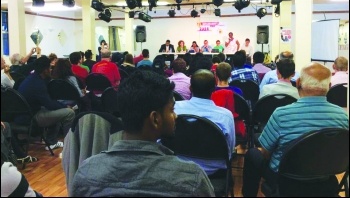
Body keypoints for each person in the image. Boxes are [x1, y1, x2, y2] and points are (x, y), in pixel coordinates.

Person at [71, 71, 215, 197]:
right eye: (171, 110)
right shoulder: (191, 180)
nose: (175, 116)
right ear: (155, 119)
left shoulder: (86, 173)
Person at [242, 62, 349, 197]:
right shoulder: (343, 116)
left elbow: (265, 152)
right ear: (328, 86)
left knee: (253, 154)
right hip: (325, 177)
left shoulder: (281, 114)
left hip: (285, 179)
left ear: (298, 82)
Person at [174, 70, 235, 179]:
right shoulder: (225, 116)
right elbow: (229, 151)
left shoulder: (174, 109)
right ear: (214, 89)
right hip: (214, 172)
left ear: (190, 88)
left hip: (177, 167)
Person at [18, 56, 75, 150]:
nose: (51, 70)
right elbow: (49, 104)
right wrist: (66, 106)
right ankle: (70, 144)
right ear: (45, 70)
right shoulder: (38, 84)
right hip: (32, 117)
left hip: (25, 114)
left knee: (57, 109)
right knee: (69, 113)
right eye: (49, 68)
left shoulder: (31, 78)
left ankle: (52, 141)